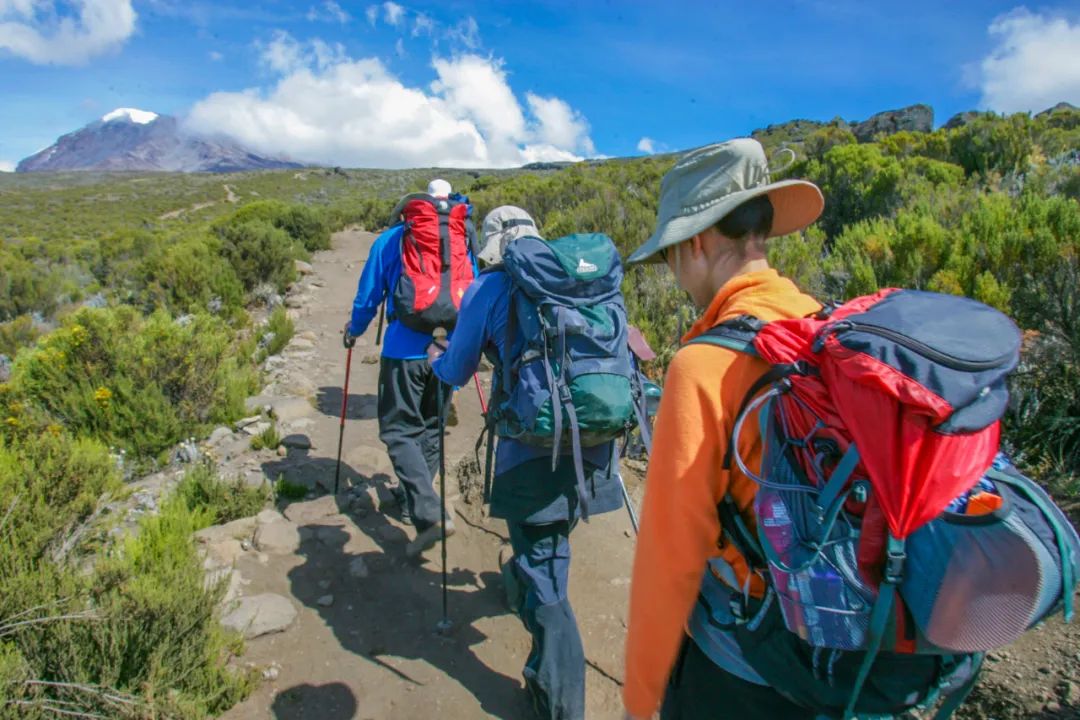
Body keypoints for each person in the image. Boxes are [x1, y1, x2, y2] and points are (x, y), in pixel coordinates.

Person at [621, 139, 826, 719]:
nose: (674, 272)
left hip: (745, 665)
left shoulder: (704, 364)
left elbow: (670, 560)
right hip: (840, 654)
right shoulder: (821, 322)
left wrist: (640, 698)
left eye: (668, 256)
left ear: (696, 243)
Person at [430, 205, 624, 720]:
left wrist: (435, 362)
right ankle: (521, 585)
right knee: (548, 544)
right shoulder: (578, 285)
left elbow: (456, 368)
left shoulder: (489, 289)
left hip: (531, 454)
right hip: (598, 445)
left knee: (545, 569)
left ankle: (559, 701)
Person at [344, 178, 474, 558]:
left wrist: (353, 331)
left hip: (403, 351)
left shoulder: (392, 239)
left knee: (399, 430)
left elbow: (368, 297)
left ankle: (428, 510)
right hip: (447, 350)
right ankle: (416, 500)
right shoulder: (464, 238)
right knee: (432, 425)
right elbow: (475, 291)